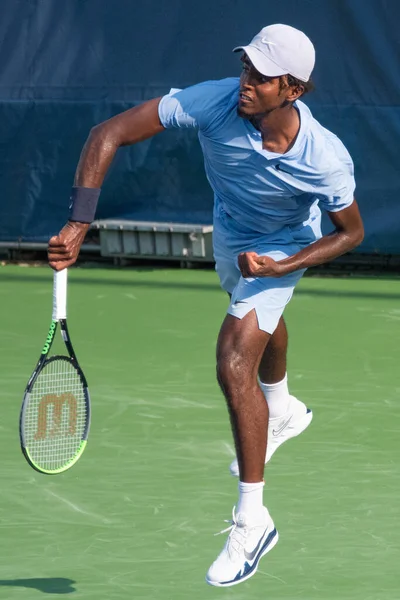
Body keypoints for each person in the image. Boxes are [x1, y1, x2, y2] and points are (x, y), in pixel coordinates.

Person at [48, 23, 364, 587]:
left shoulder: (326, 158)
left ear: (291, 90)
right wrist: (79, 222)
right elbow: (108, 133)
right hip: (230, 233)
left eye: (261, 78)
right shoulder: (214, 101)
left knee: (234, 356)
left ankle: (253, 518)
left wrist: (283, 267)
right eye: (245, 68)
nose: (245, 83)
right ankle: (284, 408)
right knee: (257, 317)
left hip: (285, 244)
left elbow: (350, 233)